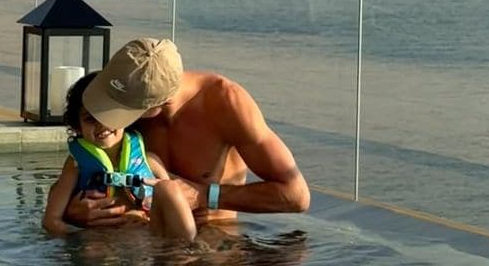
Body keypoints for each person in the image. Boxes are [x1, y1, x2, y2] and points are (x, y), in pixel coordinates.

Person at [63, 38, 310, 230]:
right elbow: (87, 173)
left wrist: (204, 195)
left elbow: (296, 196)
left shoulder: (226, 104)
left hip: (212, 242)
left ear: (161, 103)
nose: (107, 118)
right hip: (135, 237)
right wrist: (72, 212)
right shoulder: (134, 83)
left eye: (120, 110)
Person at [43, 70, 197, 240]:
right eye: (90, 119)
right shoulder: (75, 166)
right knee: (93, 249)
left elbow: (177, 202)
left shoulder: (149, 160)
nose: (101, 125)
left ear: (126, 117)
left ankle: (187, 249)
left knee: (170, 187)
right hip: (102, 240)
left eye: (109, 115)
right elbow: (51, 221)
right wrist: (81, 236)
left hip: (147, 236)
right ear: (77, 126)